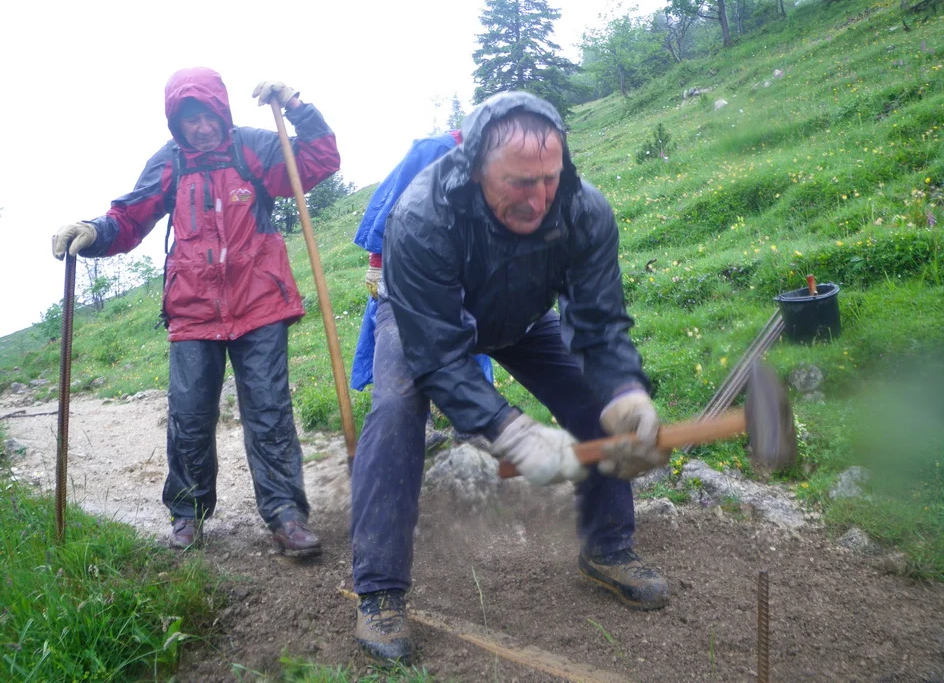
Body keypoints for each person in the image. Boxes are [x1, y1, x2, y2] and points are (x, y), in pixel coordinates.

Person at [349, 91, 670, 665]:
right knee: (397, 409)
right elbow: (442, 358)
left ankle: (609, 548)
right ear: (475, 169)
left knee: (593, 397)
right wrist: (513, 432)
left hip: (521, 314)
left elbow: (598, 323)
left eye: (549, 178)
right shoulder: (422, 216)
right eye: (520, 182)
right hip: (428, 319)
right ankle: (379, 591)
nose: (538, 198)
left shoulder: (583, 209)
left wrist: (626, 391)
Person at [51, 67, 340, 556]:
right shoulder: (170, 163)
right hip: (193, 312)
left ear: (221, 111)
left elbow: (318, 161)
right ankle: (188, 515)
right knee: (189, 417)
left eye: (207, 116)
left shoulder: (252, 148)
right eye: (189, 120)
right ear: (175, 123)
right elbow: (129, 218)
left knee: (269, 414)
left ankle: (286, 515)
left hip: (260, 304)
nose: (201, 127)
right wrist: (94, 232)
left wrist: (296, 105)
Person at [350, 130, 493, 449]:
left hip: (459, 270)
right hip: (410, 270)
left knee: (467, 337)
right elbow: (395, 203)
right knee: (408, 343)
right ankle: (418, 426)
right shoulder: (436, 151)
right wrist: (377, 259)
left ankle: (470, 426)